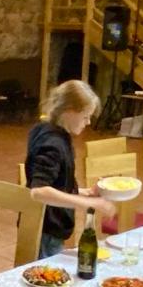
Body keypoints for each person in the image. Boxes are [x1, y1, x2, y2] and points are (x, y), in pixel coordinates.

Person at [25, 80, 117, 261]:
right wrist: (88, 203)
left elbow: (56, 183)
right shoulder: (53, 143)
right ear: (69, 111)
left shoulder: (46, 130)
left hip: (44, 225)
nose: (88, 122)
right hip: (46, 230)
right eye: (85, 116)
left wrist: (85, 192)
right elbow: (39, 191)